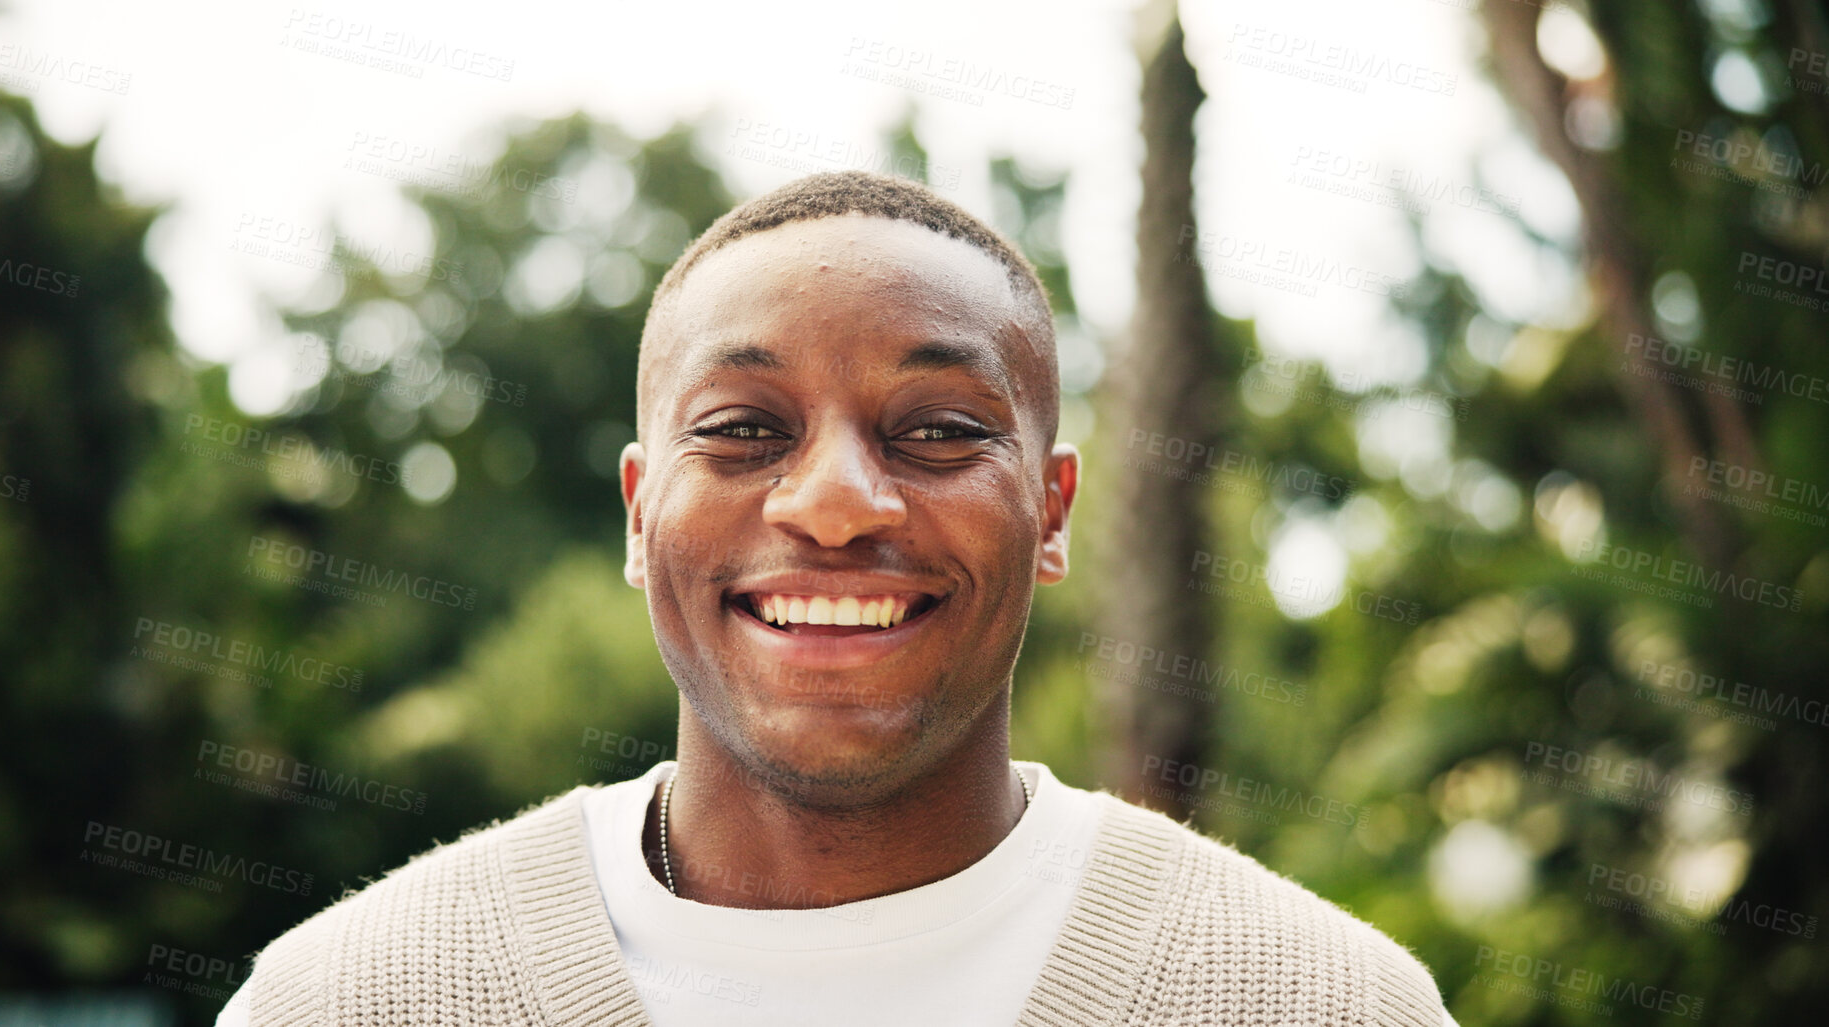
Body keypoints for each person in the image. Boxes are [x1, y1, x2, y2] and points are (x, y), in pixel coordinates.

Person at [216, 170, 1454, 1026]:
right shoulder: (353, 998)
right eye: (747, 428)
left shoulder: (1314, 1000)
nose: (837, 501)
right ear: (640, 515)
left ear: (1055, 511)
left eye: (939, 430)